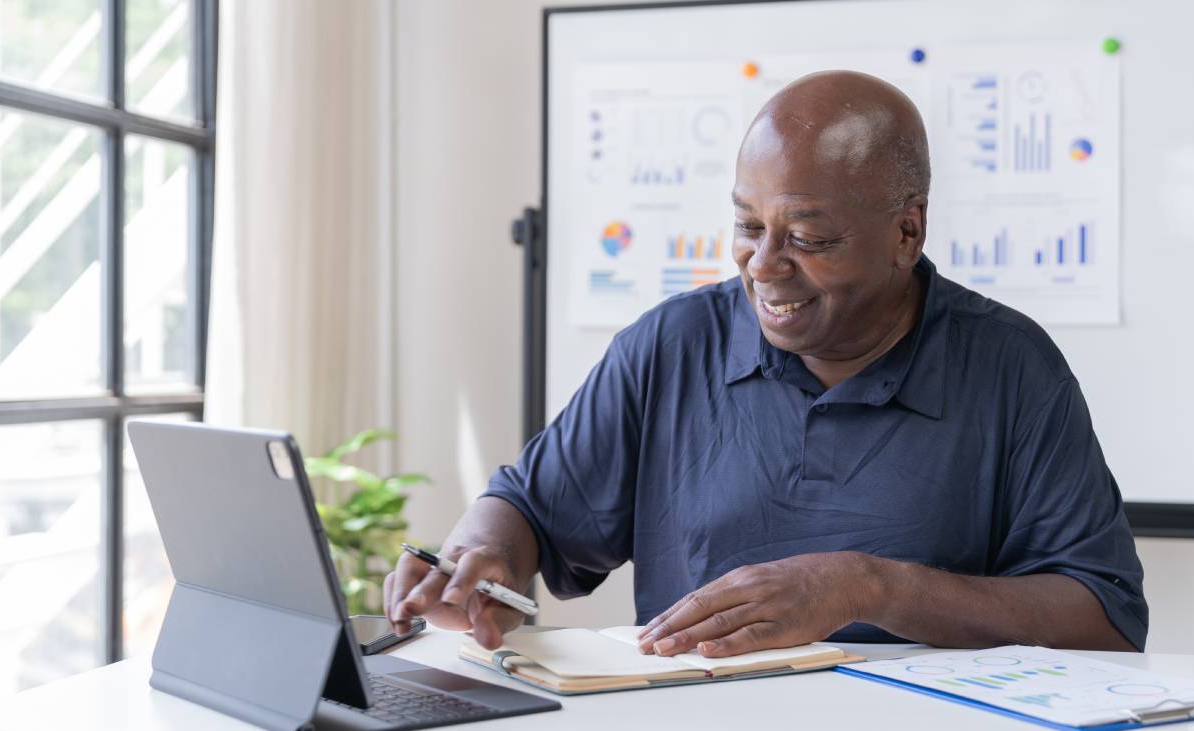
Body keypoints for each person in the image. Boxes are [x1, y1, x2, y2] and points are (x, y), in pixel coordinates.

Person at [385, 70, 1147, 657]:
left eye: (809, 239)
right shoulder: (671, 345)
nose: (764, 266)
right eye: (748, 226)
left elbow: (1105, 619)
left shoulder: (1012, 367)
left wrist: (871, 586)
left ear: (907, 231)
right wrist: (477, 555)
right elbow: (528, 509)